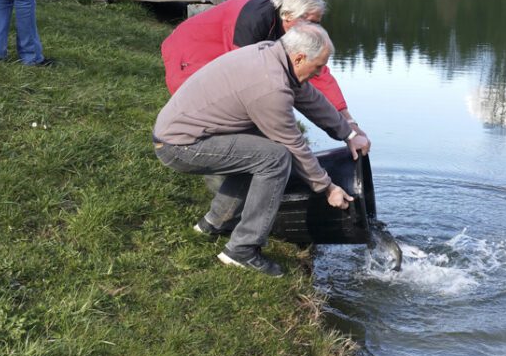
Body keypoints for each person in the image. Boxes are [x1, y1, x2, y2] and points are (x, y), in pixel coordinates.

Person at [153, 23, 371, 277]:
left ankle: (216, 222)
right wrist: (328, 188)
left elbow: (309, 97)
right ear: (299, 58)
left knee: (260, 150)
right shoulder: (270, 87)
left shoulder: (273, 55)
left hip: (192, 132)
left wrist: (349, 134)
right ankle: (242, 249)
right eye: (319, 66)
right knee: (274, 157)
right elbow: (293, 144)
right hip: (179, 145)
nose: (321, 72)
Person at [160, 0, 367, 132]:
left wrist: (347, 120)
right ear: (288, 16)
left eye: (317, 23)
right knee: (208, 111)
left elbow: (318, 73)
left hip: (221, 54)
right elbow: (242, 75)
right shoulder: (254, 21)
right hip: (190, 51)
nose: (313, 29)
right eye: (310, 22)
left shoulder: (293, 31)